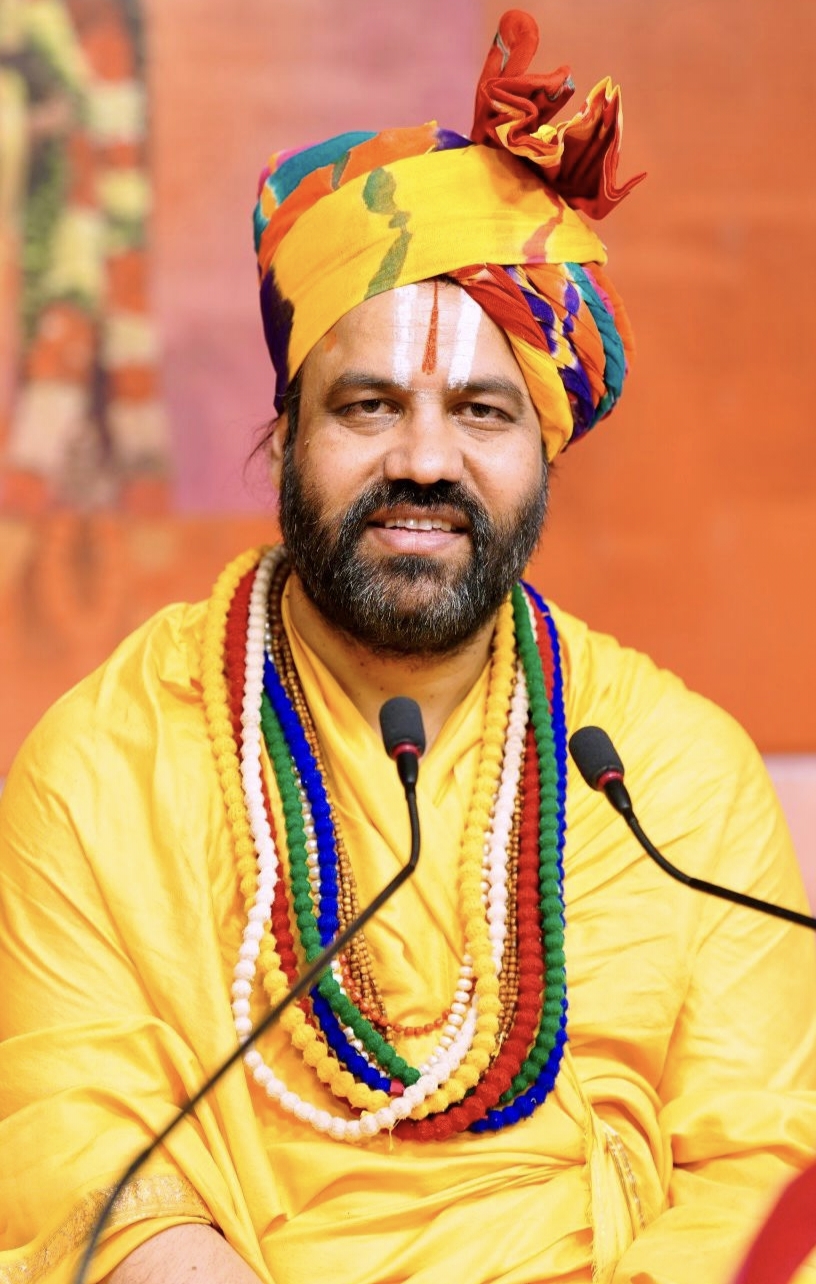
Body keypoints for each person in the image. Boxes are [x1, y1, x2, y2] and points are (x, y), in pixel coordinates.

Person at [1, 10, 815, 1283]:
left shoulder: (671, 777)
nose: (425, 460)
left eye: (482, 412)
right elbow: (81, 1151)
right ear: (286, 434)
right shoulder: (109, 764)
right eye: (370, 405)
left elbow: (763, 1164)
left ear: (544, 451)